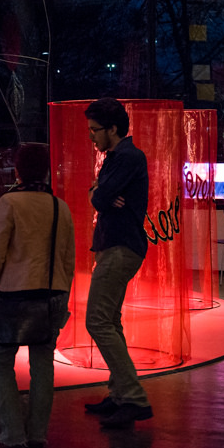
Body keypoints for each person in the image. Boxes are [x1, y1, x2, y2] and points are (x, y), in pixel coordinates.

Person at [0, 143, 76, 448]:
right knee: (42, 364)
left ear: (17, 171)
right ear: (48, 171)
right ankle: (37, 433)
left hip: (13, 295)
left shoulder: (9, 202)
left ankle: (12, 433)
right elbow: (68, 258)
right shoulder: (59, 207)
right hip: (52, 294)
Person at [83, 97, 153, 429]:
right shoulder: (118, 157)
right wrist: (102, 192)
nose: (92, 137)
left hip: (121, 247)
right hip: (118, 246)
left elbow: (98, 196)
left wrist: (101, 192)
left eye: (95, 130)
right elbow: (99, 194)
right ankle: (120, 395)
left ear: (113, 129)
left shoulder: (127, 157)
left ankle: (134, 398)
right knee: (110, 321)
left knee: (97, 321)